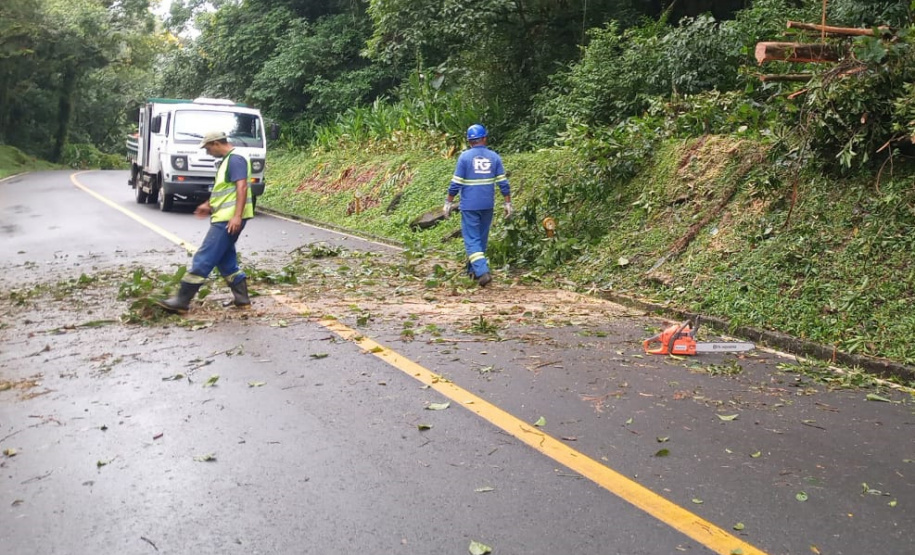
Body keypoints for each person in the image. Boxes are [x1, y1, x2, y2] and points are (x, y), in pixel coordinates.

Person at [156, 130, 254, 314]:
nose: (207, 152)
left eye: (208, 148)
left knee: (204, 257)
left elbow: (242, 187)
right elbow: (226, 190)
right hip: (224, 216)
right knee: (226, 261)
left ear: (217, 143)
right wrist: (208, 204)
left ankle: (181, 301)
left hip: (227, 220)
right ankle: (242, 300)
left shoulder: (235, 160)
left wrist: (237, 216)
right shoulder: (227, 161)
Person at [443, 124, 512, 287]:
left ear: (469, 141)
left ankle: (482, 272)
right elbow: (503, 183)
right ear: (485, 138)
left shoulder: (465, 158)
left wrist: (448, 202)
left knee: (472, 240)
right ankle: (472, 271)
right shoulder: (494, 157)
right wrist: (508, 202)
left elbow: (456, 183)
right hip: (487, 204)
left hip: (470, 206)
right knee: (481, 239)